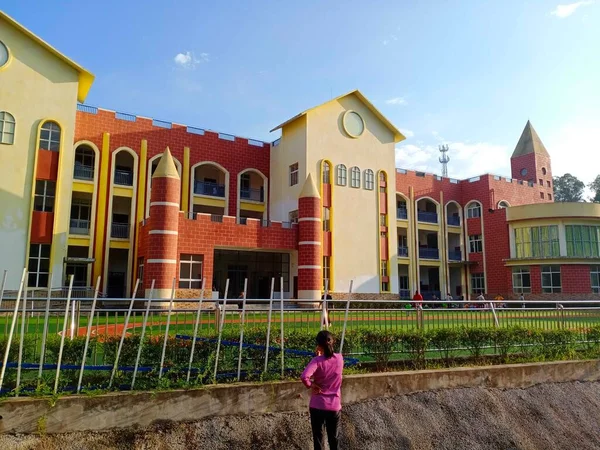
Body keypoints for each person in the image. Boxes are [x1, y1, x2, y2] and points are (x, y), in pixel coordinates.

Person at [301, 331, 344, 450]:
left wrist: (311, 385)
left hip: (317, 405)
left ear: (318, 345)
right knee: (334, 438)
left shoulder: (316, 361)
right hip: (334, 405)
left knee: (318, 439)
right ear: (333, 341)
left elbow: (304, 377)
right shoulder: (340, 359)